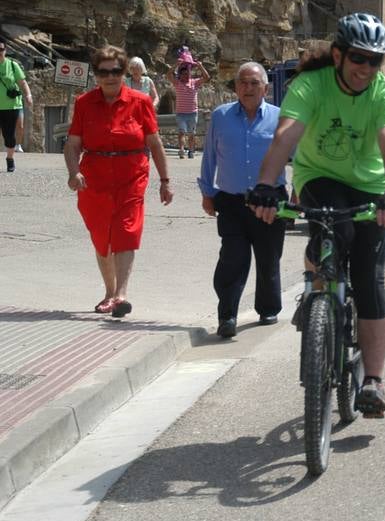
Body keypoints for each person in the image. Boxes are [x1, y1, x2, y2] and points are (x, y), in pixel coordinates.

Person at [247, 12, 385, 418]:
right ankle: (317, 285)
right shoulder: (310, 85)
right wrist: (266, 185)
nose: (366, 68)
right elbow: (285, 137)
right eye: (358, 57)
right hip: (320, 176)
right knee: (336, 231)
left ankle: (373, 381)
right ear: (338, 55)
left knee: (369, 278)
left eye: (375, 60)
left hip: (371, 185)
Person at [64, 45, 174, 317]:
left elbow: (154, 143)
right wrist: (73, 171)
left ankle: (121, 295)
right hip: (94, 178)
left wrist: (165, 180)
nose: (110, 77)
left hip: (131, 175)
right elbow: (73, 144)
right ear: (96, 74)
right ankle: (109, 292)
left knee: (126, 230)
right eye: (103, 72)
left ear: (124, 72)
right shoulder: (84, 103)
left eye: (115, 71)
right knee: (102, 236)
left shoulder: (141, 101)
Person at [198, 62, 287, 339]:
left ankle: (268, 308)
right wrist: (207, 192)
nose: (248, 88)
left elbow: (299, 156)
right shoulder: (221, 116)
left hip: (270, 200)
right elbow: (209, 156)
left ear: (266, 88)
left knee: (268, 256)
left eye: (254, 83)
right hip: (231, 200)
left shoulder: (280, 118)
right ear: (236, 87)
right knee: (232, 258)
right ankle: (227, 315)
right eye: (243, 83)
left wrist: (299, 191)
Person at [170, 48, 211, 159]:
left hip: (192, 113)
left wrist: (200, 66)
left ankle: (191, 150)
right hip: (181, 113)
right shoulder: (177, 83)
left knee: (191, 134)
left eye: (188, 73)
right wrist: (176, 64)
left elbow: (206, 77)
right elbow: (168, 75)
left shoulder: (194, 83)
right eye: (184, 73)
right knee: (181, 132)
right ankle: (181, 150)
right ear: (180, 75)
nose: (186, 75)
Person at [0, 43, 33, 172]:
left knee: (9, 135)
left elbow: (22, 83)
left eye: (1, 49)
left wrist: (28, 95)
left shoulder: (13, 65)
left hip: (11, 105)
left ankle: (10, 159)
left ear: (5, 50)